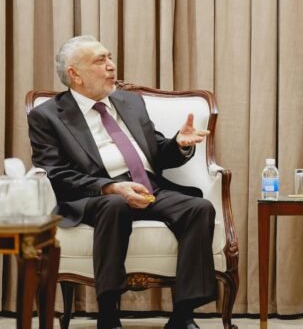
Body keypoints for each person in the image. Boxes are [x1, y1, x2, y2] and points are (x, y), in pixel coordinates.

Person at [28, 36, 217, 329]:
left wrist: (179, 144)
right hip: (95, 195)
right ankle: (108, 313)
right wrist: (110, 187)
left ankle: (183, 314)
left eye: (110, 57)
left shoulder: (130, 102)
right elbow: (56, 172)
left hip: (147, 187)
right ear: (74, 74)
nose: (111, 66)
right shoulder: (48, 115)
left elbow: (156, 151)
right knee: (114, 205)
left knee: (199, 208)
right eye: (100, 60)